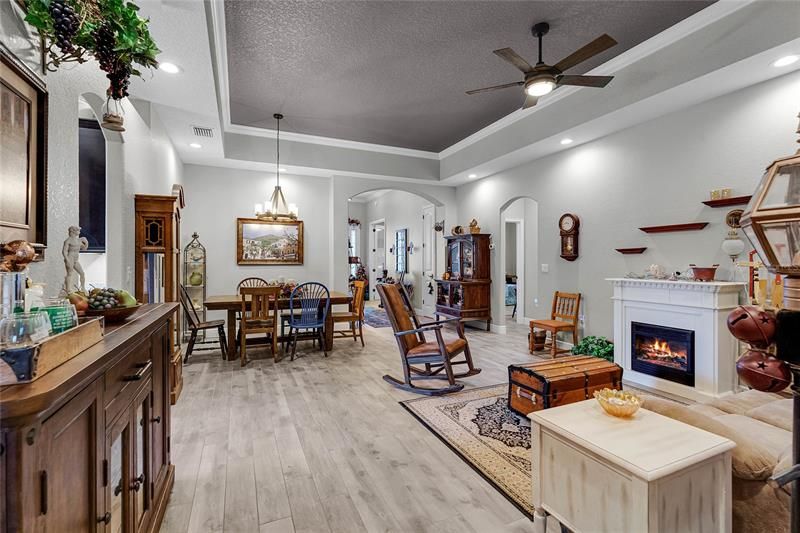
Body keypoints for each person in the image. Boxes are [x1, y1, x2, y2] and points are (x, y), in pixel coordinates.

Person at [62, 226, 88, 294]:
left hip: (76, 259)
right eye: (78, 230)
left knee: (82, 273)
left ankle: (83, 288)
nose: (79, 232)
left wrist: (86, 242)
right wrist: (67, 259)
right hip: (70, 257)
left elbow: (84, 249)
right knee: (69, 273)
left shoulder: (79, 240)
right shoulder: (68, 240)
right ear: (73, 231)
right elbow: (64, 251)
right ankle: (68, 290)